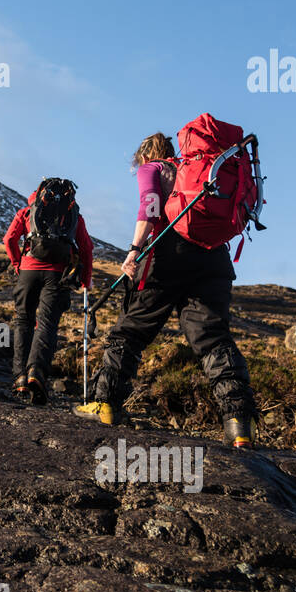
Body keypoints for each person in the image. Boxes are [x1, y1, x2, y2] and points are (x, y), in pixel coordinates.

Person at [76, 132, 259, 448]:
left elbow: (149, 206)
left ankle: (105, 405)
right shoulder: (195, 170)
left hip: (166, 254)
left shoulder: (153, 168)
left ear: (144, 156)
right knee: (214, 337)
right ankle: (238, 424)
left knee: (131, 332)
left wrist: (133, 250)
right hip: (213, 256)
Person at [3, 179, 93, 405]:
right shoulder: (73, 216)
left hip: (28, 271)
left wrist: (17, 264)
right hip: (58, 275)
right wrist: (85, 280)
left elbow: (9, 239)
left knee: (23, 320)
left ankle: (20, 377)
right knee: (47, 323)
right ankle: (37, 373)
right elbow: (87, 248)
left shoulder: (27, 212)